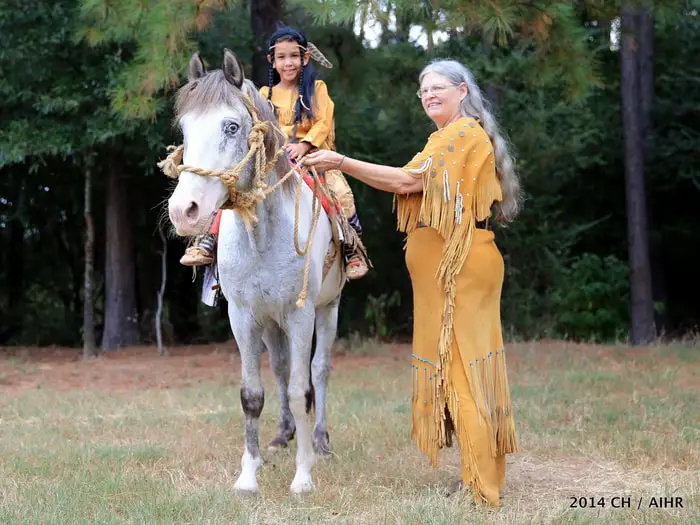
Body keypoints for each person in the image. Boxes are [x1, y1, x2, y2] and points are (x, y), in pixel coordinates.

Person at [303, 58, 521, 507]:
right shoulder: (443, 138)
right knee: (457, 368)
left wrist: (340, 161)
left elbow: (408, 181)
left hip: (459, 264)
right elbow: (412, 184)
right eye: (423, 91)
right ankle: (475, 475)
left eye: (438, 87)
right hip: (445, 268)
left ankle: (483, 489)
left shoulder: (463, 134)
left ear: (463, 91)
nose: (428, 95)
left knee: (463, 369)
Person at [180, 26, 370, 280]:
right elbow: (259, 127)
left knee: (338, 192)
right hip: (275, 158)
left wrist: (305, 144)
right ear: (272, 61)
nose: (288, 63)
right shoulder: (263, 94)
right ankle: (209, 239)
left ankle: (349, 247)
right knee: (234, 188)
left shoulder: (318, 88)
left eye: (293, 56)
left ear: (305, 58)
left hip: (312, 156)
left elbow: (324, 122)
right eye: (281, 57)